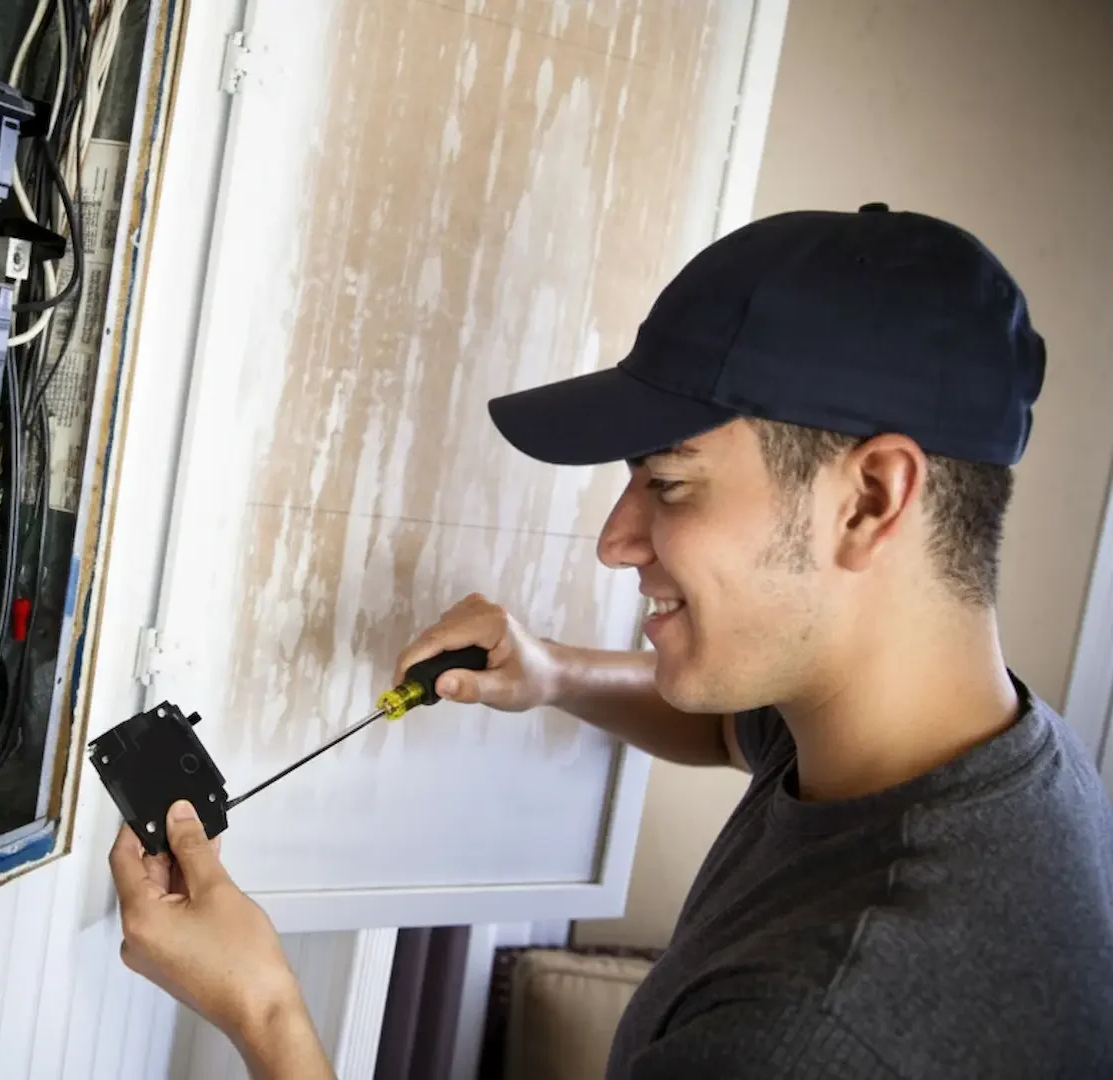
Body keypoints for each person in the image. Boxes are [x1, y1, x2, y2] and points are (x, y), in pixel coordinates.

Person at [107, 205, 1113, 1078]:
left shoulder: (816, 1034)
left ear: (868, 499)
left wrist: (266, 1012)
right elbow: (734, 733)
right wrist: (547, 673)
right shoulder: (981, 755)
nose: (613, 539)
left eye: (668, 484)